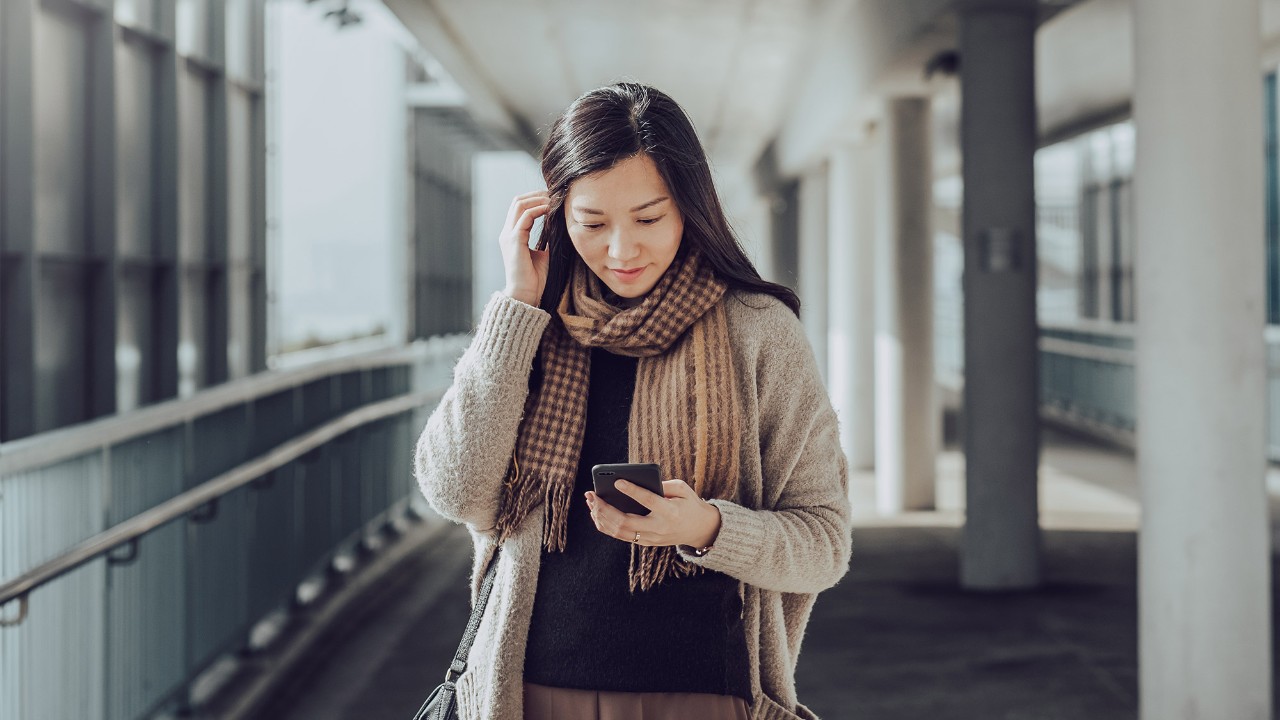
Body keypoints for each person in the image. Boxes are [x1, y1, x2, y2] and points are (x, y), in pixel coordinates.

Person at [413, 82, 852, 720]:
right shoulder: (532, 324)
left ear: (691, 208)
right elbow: (456, 492)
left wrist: (706, 528)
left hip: (703, 696)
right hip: (529, 694)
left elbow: (823, 543)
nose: (621, 250)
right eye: (592, 223)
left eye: (649, 218)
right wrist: (513, 309)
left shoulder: (757, 331)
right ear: (555, 217)